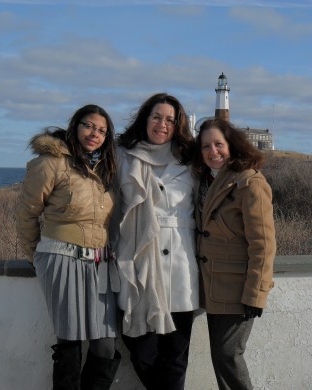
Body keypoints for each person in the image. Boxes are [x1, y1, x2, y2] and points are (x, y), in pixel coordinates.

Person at [16, 104, 121, 390]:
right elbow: (27, 212)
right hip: (61, 258)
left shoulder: (107, 167)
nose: (94, 134)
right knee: (70, 343)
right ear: (75, 125)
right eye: (88, 125)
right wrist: (36, 255)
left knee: (105, 347)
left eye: (101, 130)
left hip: (100, 265)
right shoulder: (52, 162)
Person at [108, 92, 199, 390]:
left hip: (180, 266)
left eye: (170, 120)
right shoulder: (122, 154)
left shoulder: (190, 158)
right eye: (157, 117)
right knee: (142, 350)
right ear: (145, 119)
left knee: (175, 354)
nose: (163, 124)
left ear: (179, 125)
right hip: (135, 259)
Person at [193, 118, 276, 390]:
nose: (213, 151)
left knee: (229, 356)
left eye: (219, 144)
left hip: (239, 290)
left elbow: (263, 243)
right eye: (206, 146)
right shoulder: (207, 180)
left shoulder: (250, 183)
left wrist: (257, 293)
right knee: (221, 357)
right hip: (214, 287)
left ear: (232, 145)